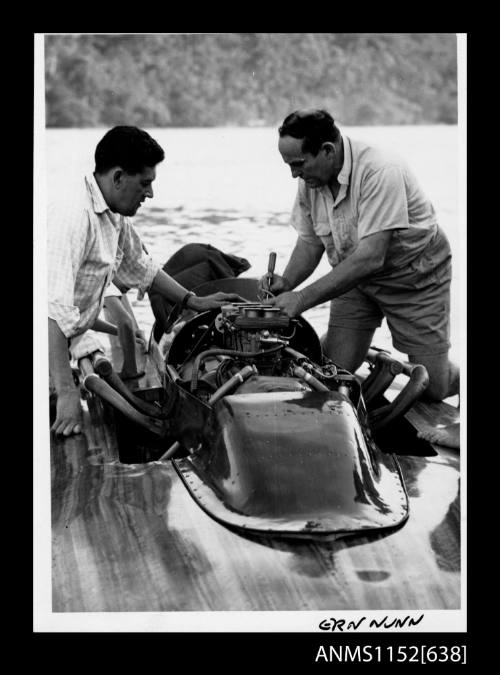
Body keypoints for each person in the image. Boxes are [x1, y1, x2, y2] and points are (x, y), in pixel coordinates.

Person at [48, 125, 244, 437]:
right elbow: (51, 312)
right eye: (145, 183)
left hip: (61, 345)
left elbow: (140, 266)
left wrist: (193, 301)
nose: (150, 194)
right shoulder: (74, 215)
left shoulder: (112, 212)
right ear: (117, 178)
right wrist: (68, 393)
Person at [260, 109, 459, 403]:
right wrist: (286, 282)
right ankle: (370, 369)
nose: (294, 174)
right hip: (354, 277)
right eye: (289, 166)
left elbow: (370, 258)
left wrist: (300, 300)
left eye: (299, 164)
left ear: (328, 150)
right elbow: (310, 241)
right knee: (329, 368)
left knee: (432, 388)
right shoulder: (311, 180)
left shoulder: (380, 170)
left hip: (415, 275)